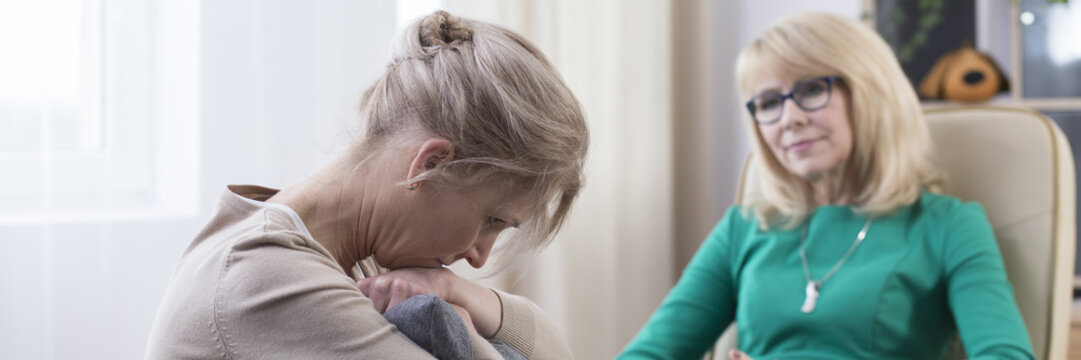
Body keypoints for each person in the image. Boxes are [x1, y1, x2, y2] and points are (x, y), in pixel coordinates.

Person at [145, 10, 587, 359]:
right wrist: (469, 333)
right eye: (491, 219)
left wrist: (458, 292)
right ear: (430, 164)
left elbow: (559, 351)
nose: (478, 256)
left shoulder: (359, 262)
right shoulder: (267, 278)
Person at [618, 12, 1035, 360]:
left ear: (872, 94)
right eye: (767, 103)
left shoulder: (947, 225)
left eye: (812, 89)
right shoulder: (743, 229)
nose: (788, 119)